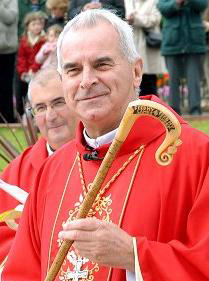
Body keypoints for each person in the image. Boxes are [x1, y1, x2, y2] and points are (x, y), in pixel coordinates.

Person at [2, 9, 209, 281]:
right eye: (74, 70)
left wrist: (133, 255)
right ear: (63, 82)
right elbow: (22, 272)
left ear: (136, 71)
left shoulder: (196, 156)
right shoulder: (51, 170)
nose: (87, 81)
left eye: (102, 65)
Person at [0, 68, 77, 266]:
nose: (50, 116)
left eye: (58, 103)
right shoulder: (16, 173)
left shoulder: (104, 157)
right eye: (40, 108)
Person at [157, 0, 208, 115]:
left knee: (194, 78)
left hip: (194, 40)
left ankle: (195, 111)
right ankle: (173, 113)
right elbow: (162, 7)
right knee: (173, 78)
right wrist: (176, 3)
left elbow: (203, 4)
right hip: (172, 40)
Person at [125, 0, 165, 96]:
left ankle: (152, 107)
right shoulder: (128, 1)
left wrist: (136, 19)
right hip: (132, 43)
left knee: (149, 79)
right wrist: (128, 19)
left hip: (148, 46)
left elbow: (155, 19)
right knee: (134, 78)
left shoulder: (154, 2)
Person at [16, 11, 47, 116]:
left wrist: (34, 70)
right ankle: (21, 116)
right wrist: (23, 72)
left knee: (37, 96)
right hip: (26, 75)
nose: (37, 27)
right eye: (34, 24)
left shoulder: (45, 40)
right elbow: (21, 58)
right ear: (28, 26)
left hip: (39, 73)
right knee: (22, 95)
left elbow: (42, 58)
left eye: (39, 24)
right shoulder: (24, 41)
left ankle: (36, 117)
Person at [0, 0, 18, 123]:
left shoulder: (11, 1)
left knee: (6, 86)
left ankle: (7, 118)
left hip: (7, 50)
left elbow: (10, 18)